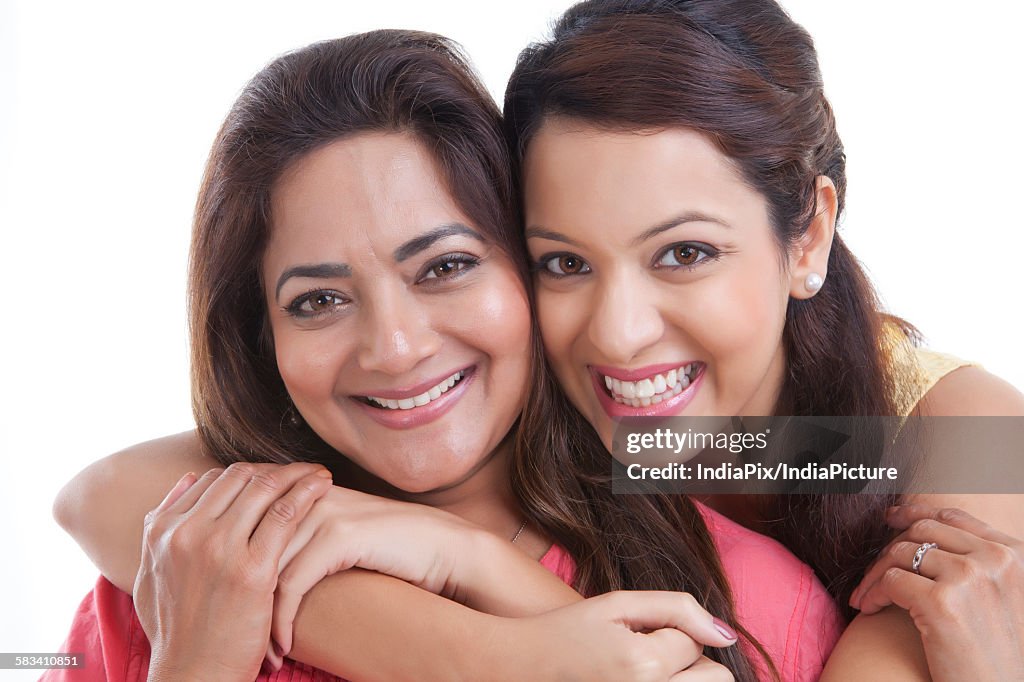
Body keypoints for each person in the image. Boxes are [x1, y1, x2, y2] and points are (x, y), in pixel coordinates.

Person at [50, 29, 843, 682]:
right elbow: (96, 494)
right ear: (263, 340)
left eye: (445, 267)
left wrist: (476, 574)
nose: (396, 349)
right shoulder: (181, 582)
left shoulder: (757, 604)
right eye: (318, 301)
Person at [500, 0, 1024, 679]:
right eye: (566, 263)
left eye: (684, 253)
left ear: (808, 237)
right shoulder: (508, 404)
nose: (618, 334)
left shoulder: (971, 437)